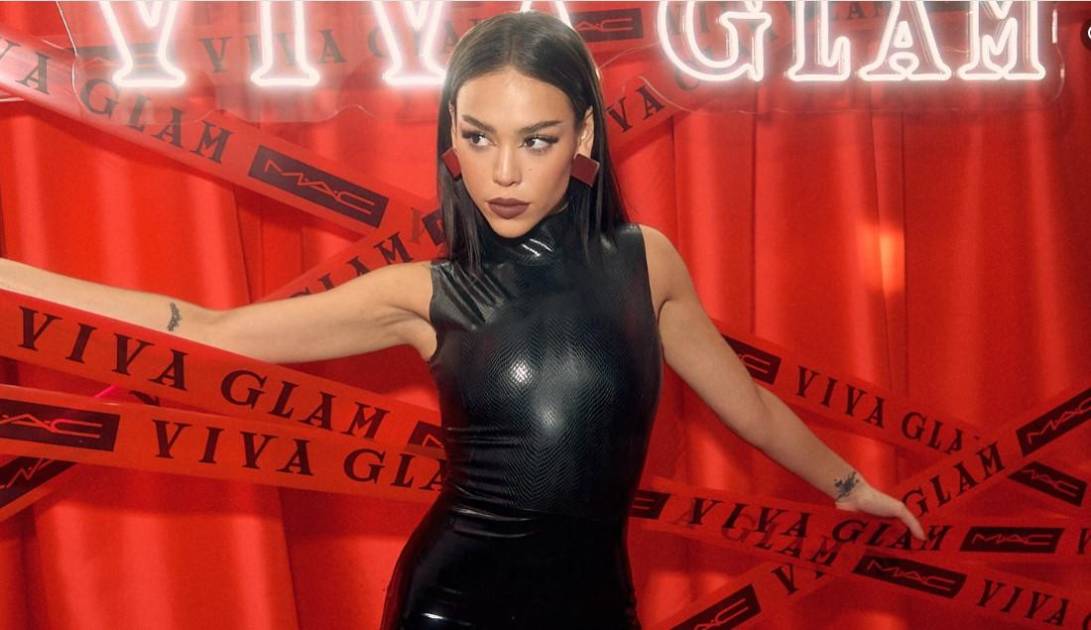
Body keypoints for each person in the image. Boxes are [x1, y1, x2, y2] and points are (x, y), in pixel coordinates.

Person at [0, 10, 925, 630]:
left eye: (536, 141)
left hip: (597, 604)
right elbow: (206, 328)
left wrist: (848, 486)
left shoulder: (645, 260)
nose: (503, 174)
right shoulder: (425, 294)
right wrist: (18, 281)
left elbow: (747, 407)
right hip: (454, 607)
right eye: (478, 139)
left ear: (584, 136)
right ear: (451, 140)